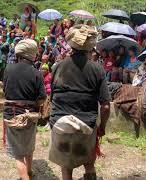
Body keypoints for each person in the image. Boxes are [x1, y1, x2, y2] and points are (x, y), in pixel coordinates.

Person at [48, 25, 111, 180]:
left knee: (66, 168)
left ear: (72, 44)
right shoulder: (97, 69)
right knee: (89, 162)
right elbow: (105, 105)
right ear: (91, 46)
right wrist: (101, 127)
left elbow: (52, 96)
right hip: (86, 125)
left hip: (60, 123)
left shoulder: (57, 67)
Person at [3, 39, 46, 180]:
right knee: (28, 147)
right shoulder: (37, 73)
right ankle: (29, 172)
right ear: (32, 54)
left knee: (18, 154)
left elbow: (6, 91)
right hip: (30, 115)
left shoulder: (8, 69)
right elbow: (41, 99)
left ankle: (26, 175)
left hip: (11, 115)